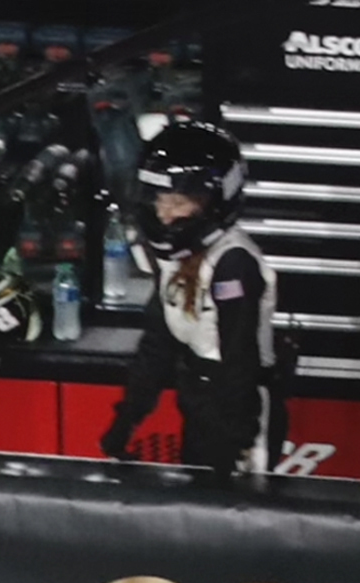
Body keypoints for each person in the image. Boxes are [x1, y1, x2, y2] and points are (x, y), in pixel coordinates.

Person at [102, 120, 275, 476]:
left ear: (213, 201)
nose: (163, 213)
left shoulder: (233, 263)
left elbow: (239, 360)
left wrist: (238, 445)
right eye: (159, 199)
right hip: (196, 398)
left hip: (240, 410)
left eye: (177, 202)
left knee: (227, 506)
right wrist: (128, 418)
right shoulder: (175, 257)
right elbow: (157, 344)